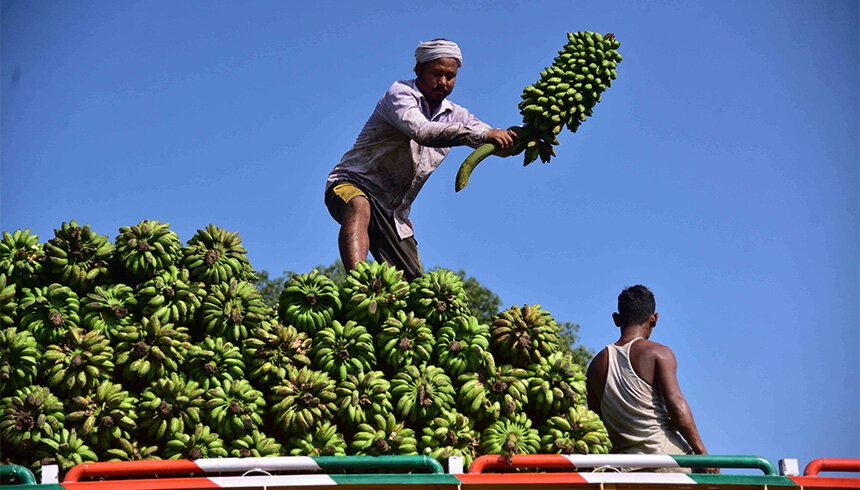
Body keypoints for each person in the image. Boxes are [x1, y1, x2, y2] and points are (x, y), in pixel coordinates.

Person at [325, 39, 517, 281]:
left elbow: (492, 142)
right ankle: (358, 284)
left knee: (415, 286)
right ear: (418, 70)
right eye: (437, 74)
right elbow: (423, 132)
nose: (444, 82)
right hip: (352, 184)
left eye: (451, 76)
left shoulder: (458, 115)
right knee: (359, 206)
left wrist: (518, 136)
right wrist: (486, 134)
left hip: (394, 212)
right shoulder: (400, 95)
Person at [586, 285, 719, 474]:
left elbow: (597, 425)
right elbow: (676, 405)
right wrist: (703, 454)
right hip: (667, 464)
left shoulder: (595, 366)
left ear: (616, 319)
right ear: (654, 319)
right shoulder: (658, 353)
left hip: (623, 472)